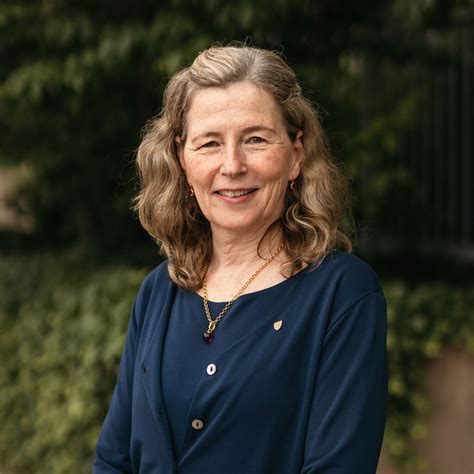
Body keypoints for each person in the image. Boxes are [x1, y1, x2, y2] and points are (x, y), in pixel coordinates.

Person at [93, 44, 387, 474]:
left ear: (296, 154)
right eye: (209, 143)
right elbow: (113, 460)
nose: (232, 165)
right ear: (182, 160)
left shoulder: (343, 295)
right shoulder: (160, 290)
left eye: (255, 139)